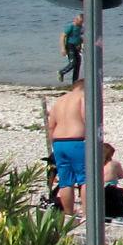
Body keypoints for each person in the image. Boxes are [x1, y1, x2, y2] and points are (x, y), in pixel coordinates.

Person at [44, 79, 88, 214]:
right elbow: (88, 118)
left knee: (65, 181)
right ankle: (87, 213)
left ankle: (69, 213)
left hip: (59, 142)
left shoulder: (59, 101)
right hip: (77, 141)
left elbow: (51, 126)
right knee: (85, 179)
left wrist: (53, 146)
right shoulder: (82, 97)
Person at [59, 13, 83, 84]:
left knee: (78, 63)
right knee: (73, 63)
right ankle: (61, 72)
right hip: (70, 46)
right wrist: (63, 48)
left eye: (82, 22)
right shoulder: (71, 26)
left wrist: (80, 44)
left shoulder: (81, 27)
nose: (80, 23)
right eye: (79, 21)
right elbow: (62, 36)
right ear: (76, 20)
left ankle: (75, 82)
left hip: (76, 47)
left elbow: (79, 36)